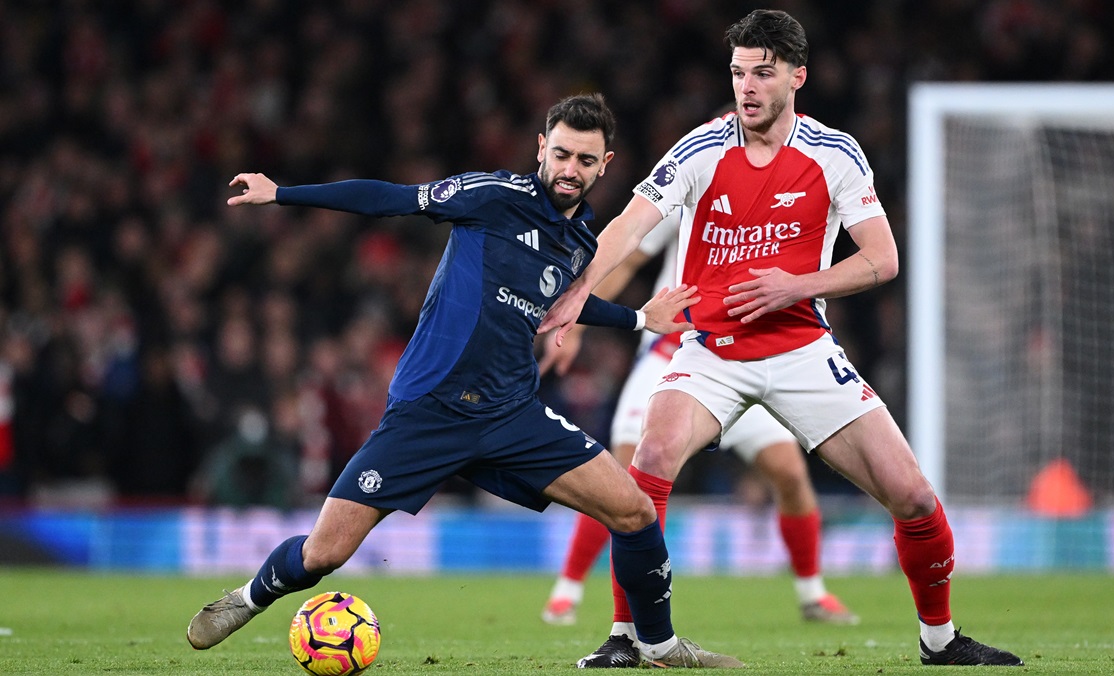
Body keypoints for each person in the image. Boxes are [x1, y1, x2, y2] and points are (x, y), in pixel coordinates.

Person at [185, 93, 744, 669]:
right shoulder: (493, 197)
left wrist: (634, 317)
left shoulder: (582, 242)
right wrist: (282, 192)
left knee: (634, 511)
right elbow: (389, 200)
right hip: (429, 410)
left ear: (605, 165)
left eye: (584, 160)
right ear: (541, 150)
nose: (569, 169)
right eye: (561, 154)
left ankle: (653, 645)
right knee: (324, 552)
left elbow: (563, 305)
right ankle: (245, 599)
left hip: (510, 414)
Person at [538, 12, 1024, 668]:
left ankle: (939, 640)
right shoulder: (699, 149)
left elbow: (881, 259)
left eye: (762, 72)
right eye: (738, 72)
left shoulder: (835, 153)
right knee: (647, 461)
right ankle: (628, 636)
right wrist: (574, 293)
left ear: (797, 75)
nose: (747, 86)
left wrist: (797, 285)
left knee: (910, 494)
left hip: (802, 351)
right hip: (711, 352)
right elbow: (628, 225)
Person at [539, 209, 857, 628]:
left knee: (789, 471)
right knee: (620, 474)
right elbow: (630, 257)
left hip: (746, 356)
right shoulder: (689, 192)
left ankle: (813, 593)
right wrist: (577, 325)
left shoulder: (775, 207)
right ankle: (568, 590)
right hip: (675, 352)